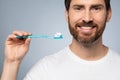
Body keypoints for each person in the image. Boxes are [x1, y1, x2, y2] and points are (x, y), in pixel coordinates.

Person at [1, 0, 120, 80]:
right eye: (78, 8)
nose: (87, 18)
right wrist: (11, 63)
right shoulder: (45, 69)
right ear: (67, 15)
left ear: (108, 14)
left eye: (96, 8)